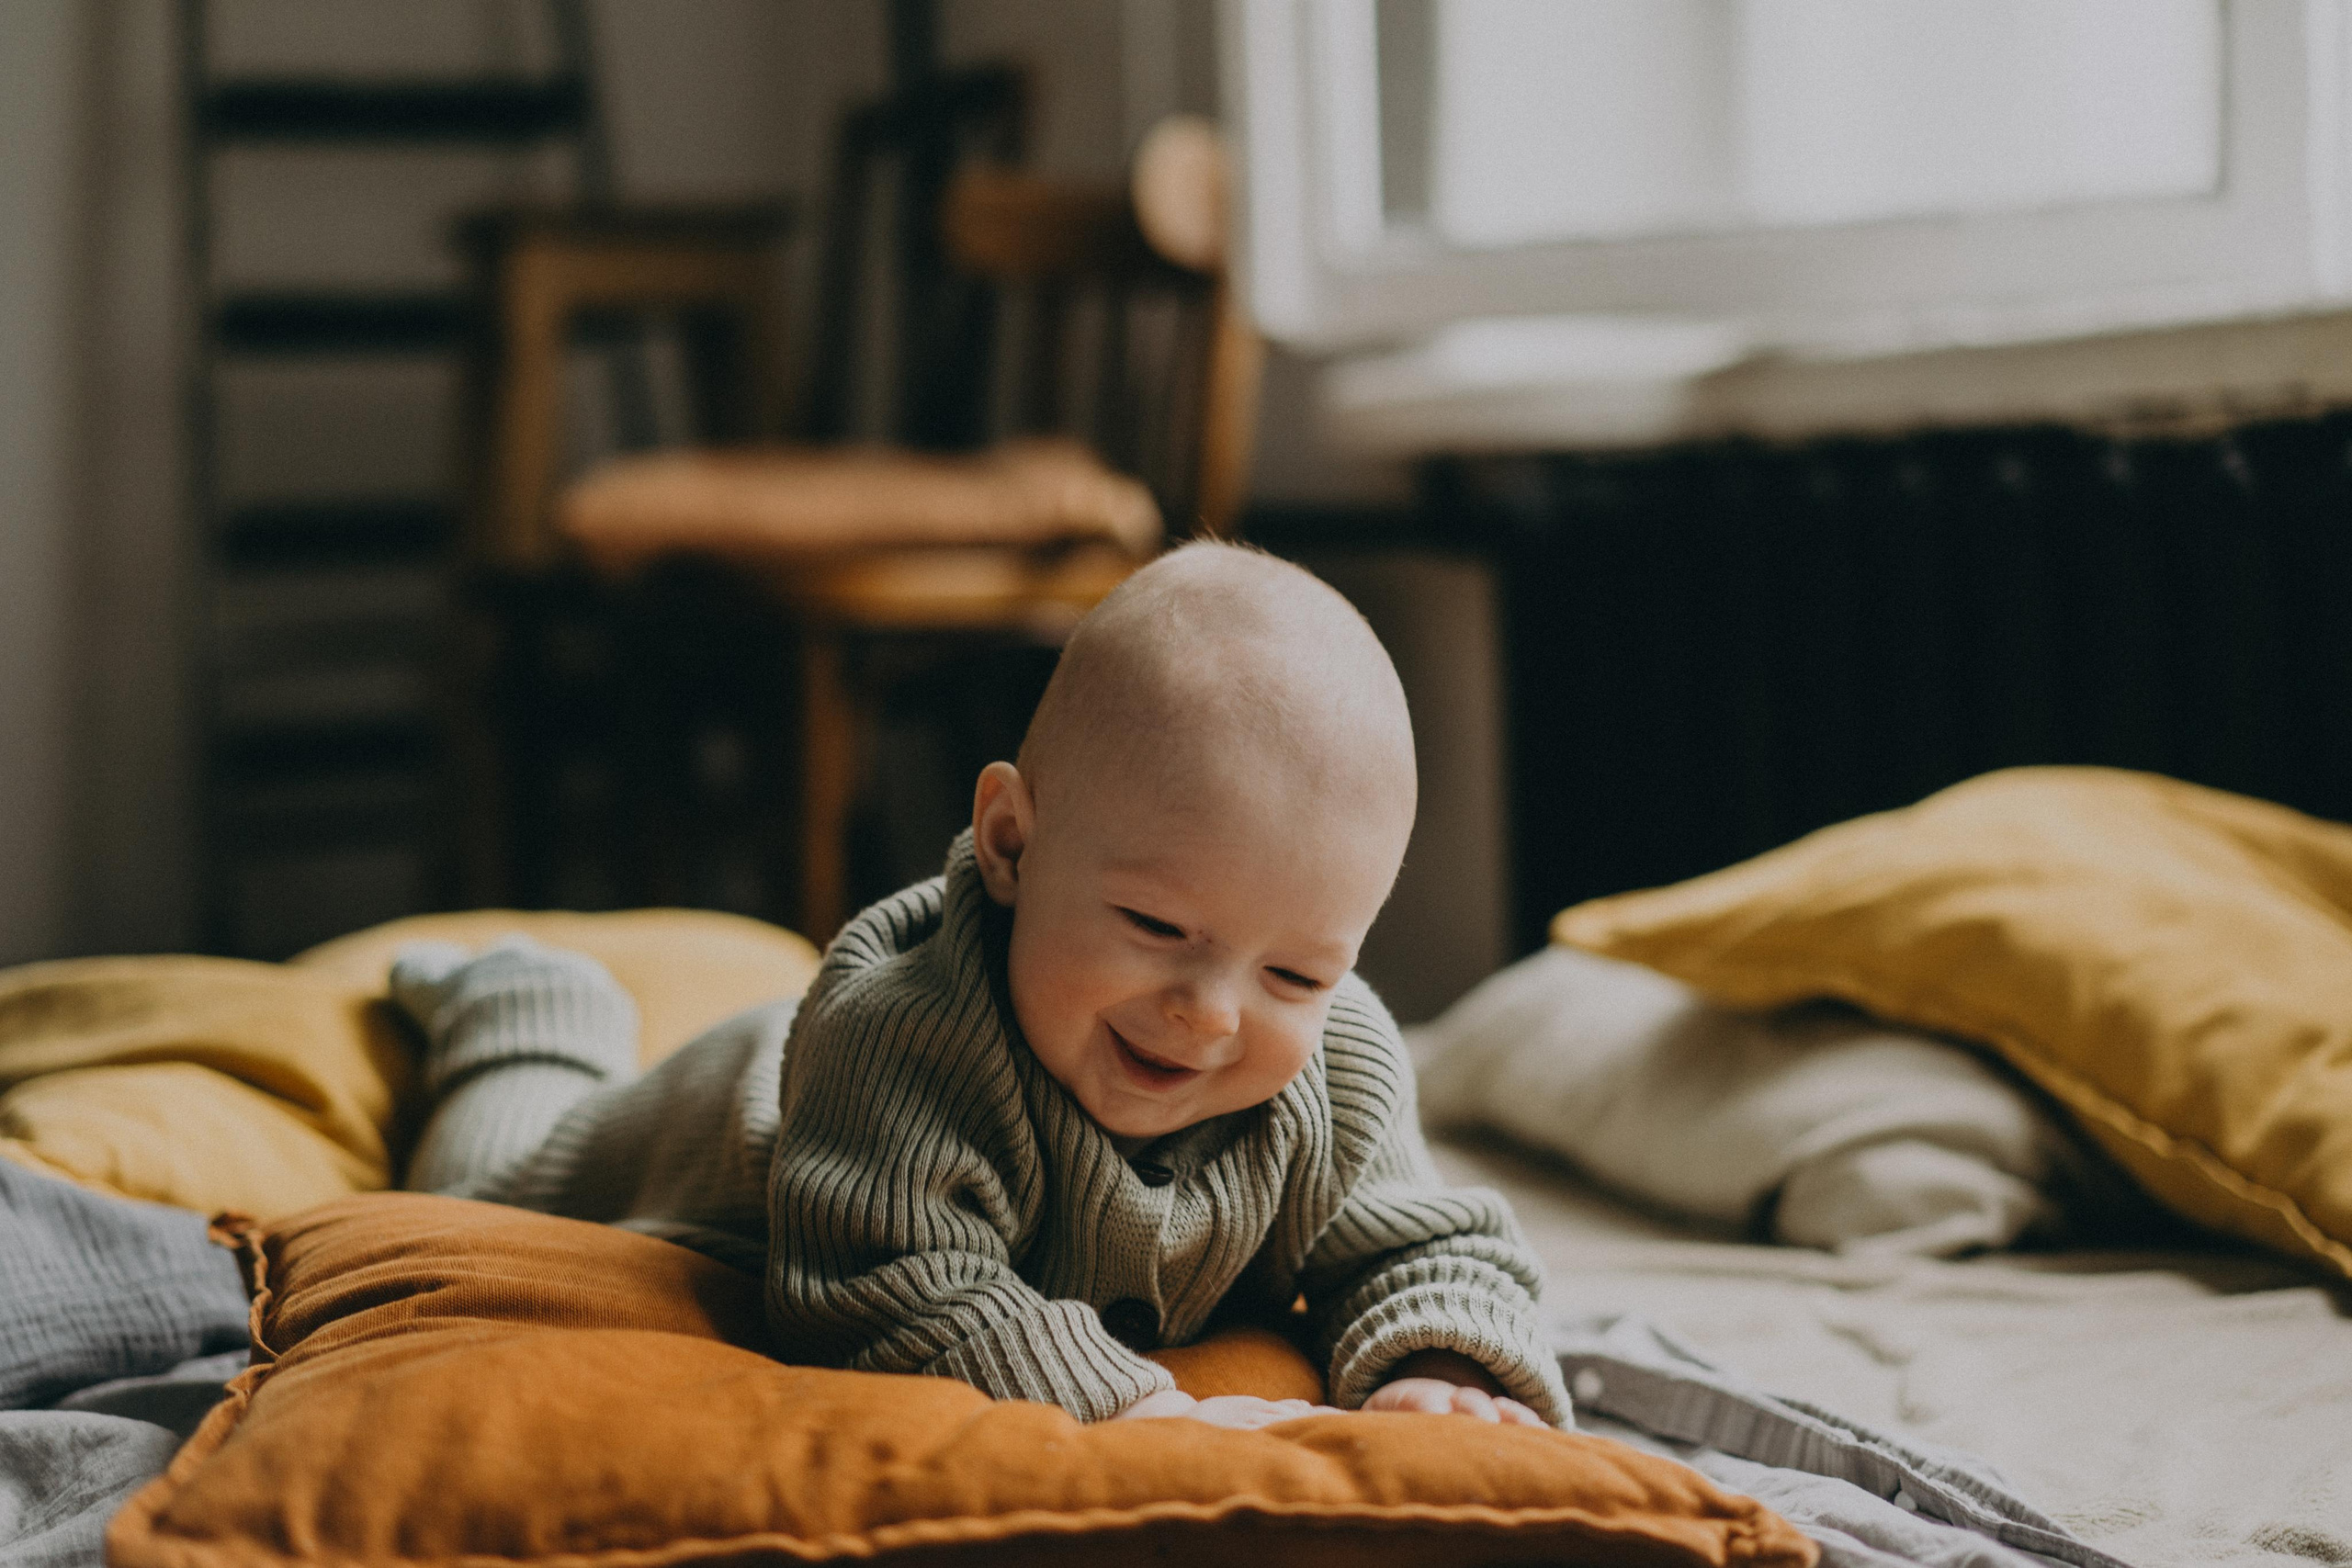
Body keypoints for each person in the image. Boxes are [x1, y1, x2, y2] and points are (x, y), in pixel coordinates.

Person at [391, 542, 1572, 1431]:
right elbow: (891, 1290)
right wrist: (1132, 1407)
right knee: (479, 1180)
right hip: (724, 1127)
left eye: (1296, 972)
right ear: (1009, 843)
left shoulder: (1336, 1069)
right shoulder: (902, 1038)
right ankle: (528, 1011)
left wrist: (1444, 1364)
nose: (1212, 1013)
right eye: (1156, 926)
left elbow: (1424, 1241)